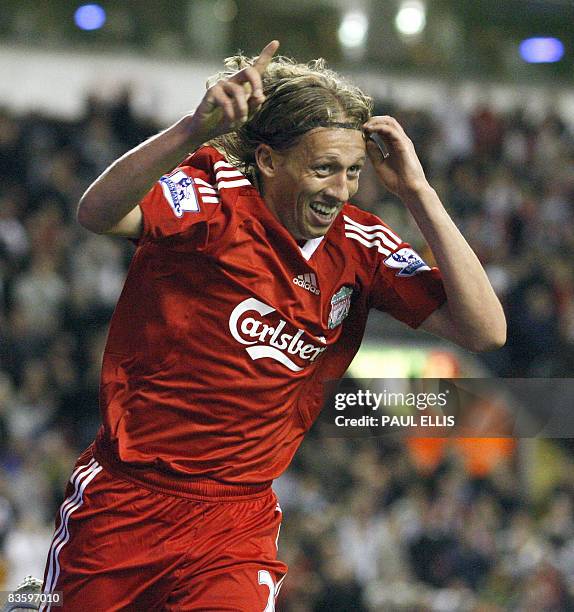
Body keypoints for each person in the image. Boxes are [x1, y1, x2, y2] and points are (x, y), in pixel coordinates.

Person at [40, 40, 505, 611]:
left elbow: (487, 332)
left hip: (236, 525)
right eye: (324, 168)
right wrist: (191, 131)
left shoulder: (361, 248)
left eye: (353, 172)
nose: (340, 190)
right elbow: (96, 213)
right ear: (268, 160)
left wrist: (419, 192)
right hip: (127, 503)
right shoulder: (213, 199)